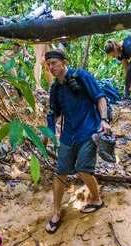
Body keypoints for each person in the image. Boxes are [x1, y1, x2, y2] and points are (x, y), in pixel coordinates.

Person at [44, 49, 110, 234]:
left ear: (64, 62)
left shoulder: (80, 76)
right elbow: (54, 113)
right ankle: (56, 212)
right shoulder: (55, 88)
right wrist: (47, 135)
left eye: (54, 63)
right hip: (68, 134)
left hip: (88, 130)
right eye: (49, 64)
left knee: (82, 169)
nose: (51, 67)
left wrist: (103, 120)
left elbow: (100, 97)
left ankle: (96, 199)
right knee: (60, 173)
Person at [33, 10, 66, 92]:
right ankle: (37, 86)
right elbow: (51, 23)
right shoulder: (62, 14)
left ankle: (51, 86)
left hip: (46, 36)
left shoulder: (62, 21)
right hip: (39, 32)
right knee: (39, 59)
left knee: (47, 61)